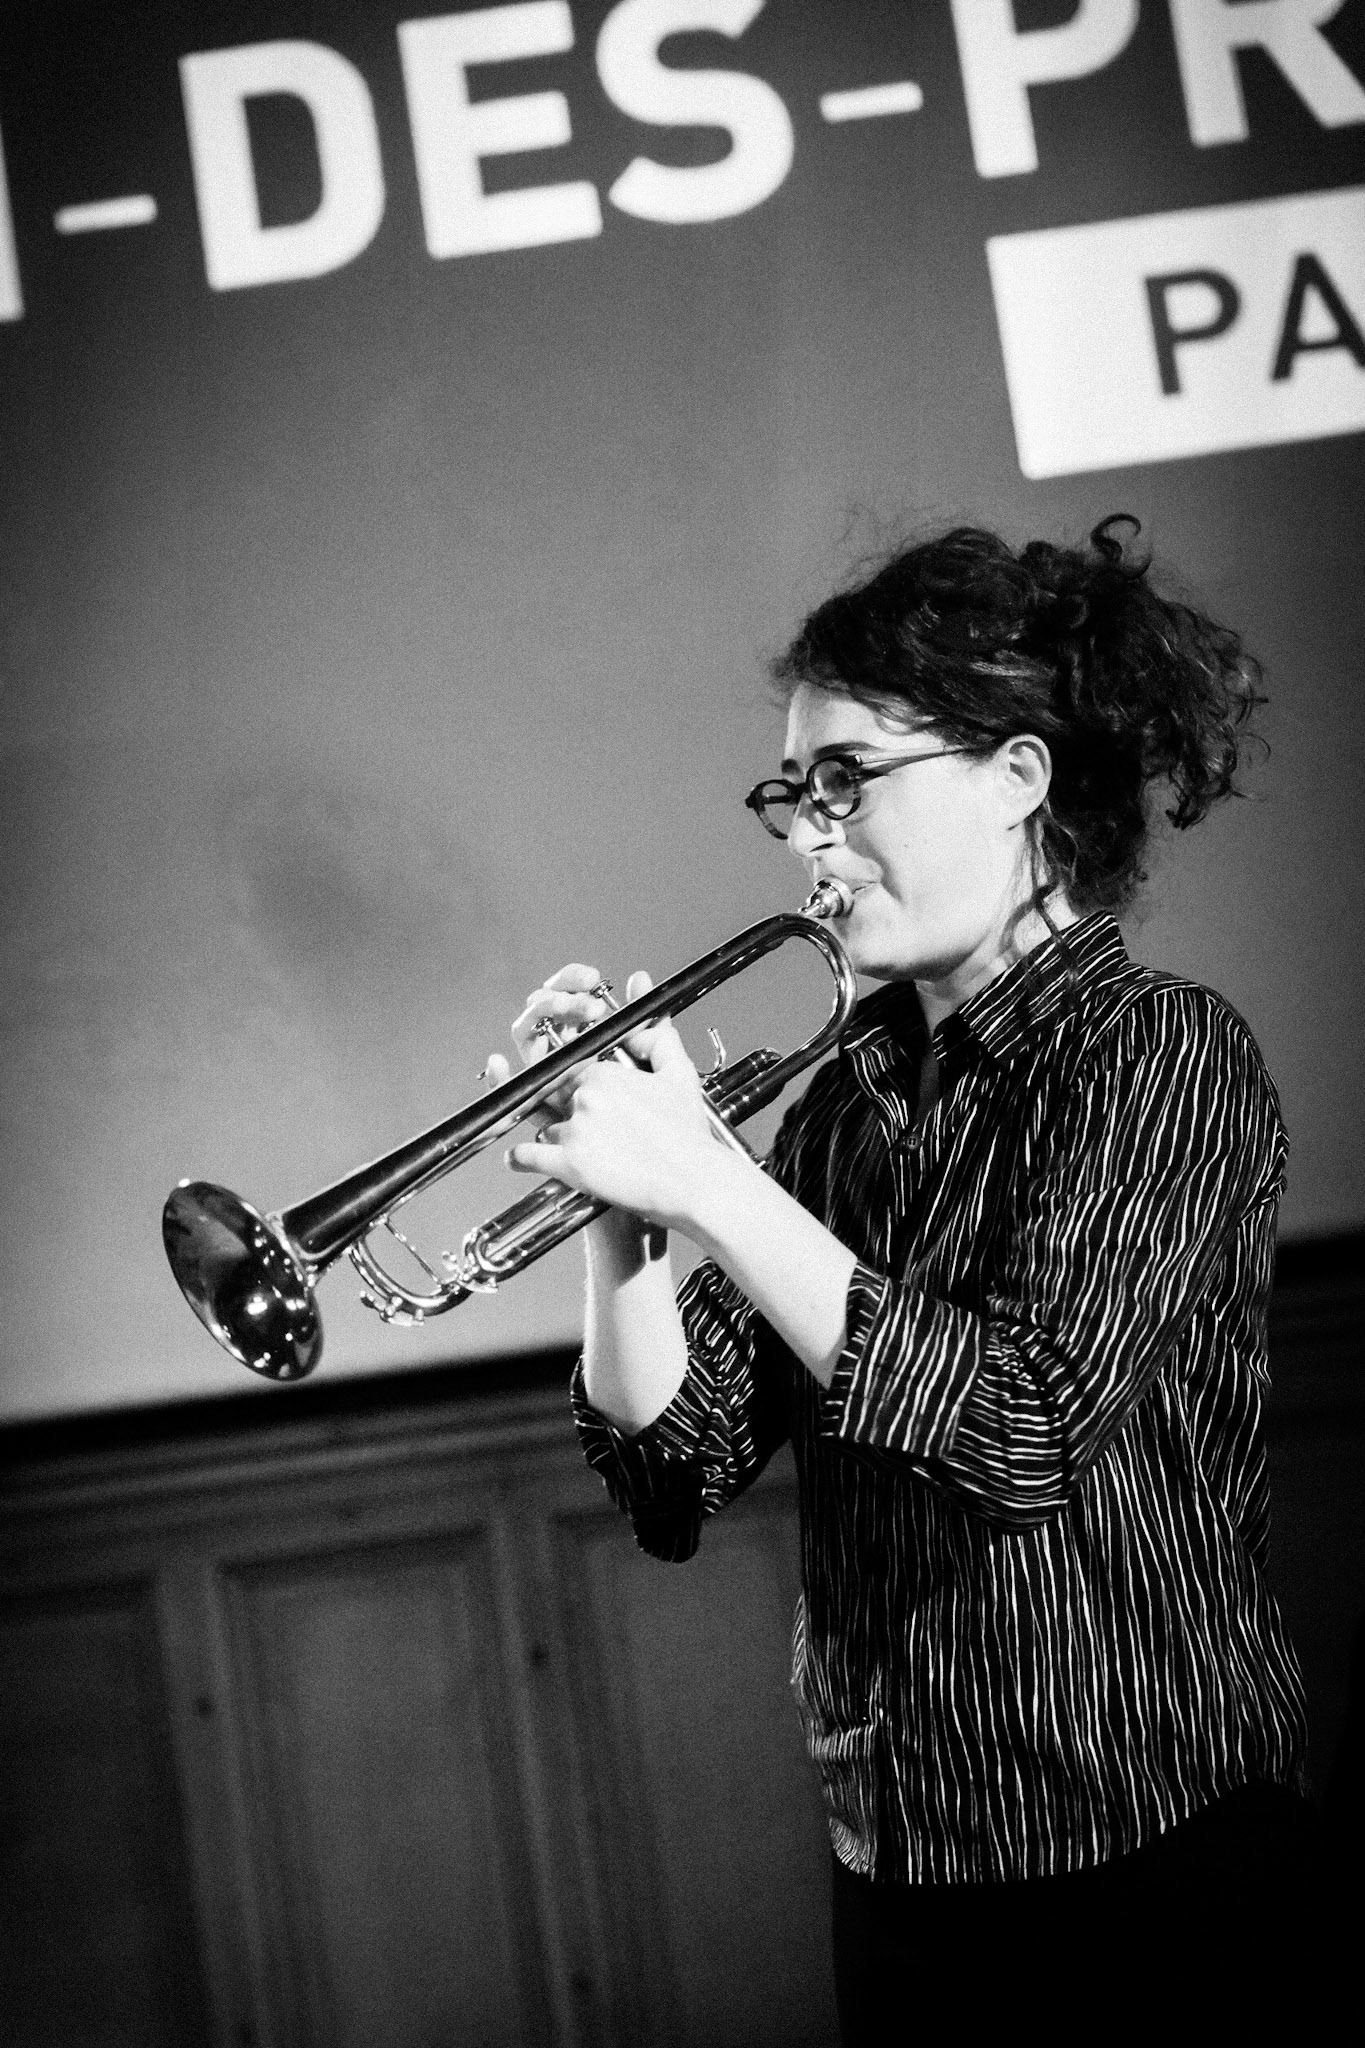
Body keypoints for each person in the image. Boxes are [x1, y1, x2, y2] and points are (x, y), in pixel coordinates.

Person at [485, 517, 1317, 2031]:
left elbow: (1021, 1427)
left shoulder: (1161, 1053)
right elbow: (671, 1476)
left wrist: (713, 1180)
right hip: (902, 1869)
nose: (813, 839)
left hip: (1150, 1860)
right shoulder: (840, 1113)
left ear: (1018, 777)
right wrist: (616, 1208)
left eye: (851, 781)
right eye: (793, 795)